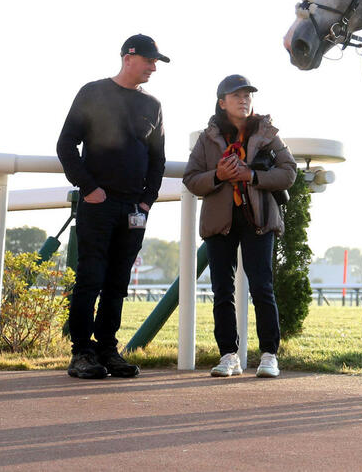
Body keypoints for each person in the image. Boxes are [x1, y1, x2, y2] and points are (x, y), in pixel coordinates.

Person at [57, 33, 169, 379]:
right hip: (98, 204)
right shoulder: (93, 93)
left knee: (118, 281)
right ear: (128, 57)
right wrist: (89, 188)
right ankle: (81, 352)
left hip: (134, 209)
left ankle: (107, 349)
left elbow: (157, 160)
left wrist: (147, 201)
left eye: (155, 63)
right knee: (90, 278)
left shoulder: (153, 105)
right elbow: (66, 145)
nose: (153, 67)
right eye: (149, 60)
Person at [183, 74, 296, 378]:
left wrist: (253, 177)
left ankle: (270, 355)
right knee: (222, 290)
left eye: (248, 95)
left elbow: (289, 172)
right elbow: (191, 179)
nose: (244, 99)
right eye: (237, 95)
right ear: (222, 102)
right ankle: (228, 356)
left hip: (258, 221)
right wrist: (218, 175)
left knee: (263, 287)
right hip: (220, 223)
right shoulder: (207, 139)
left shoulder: (268, 133)